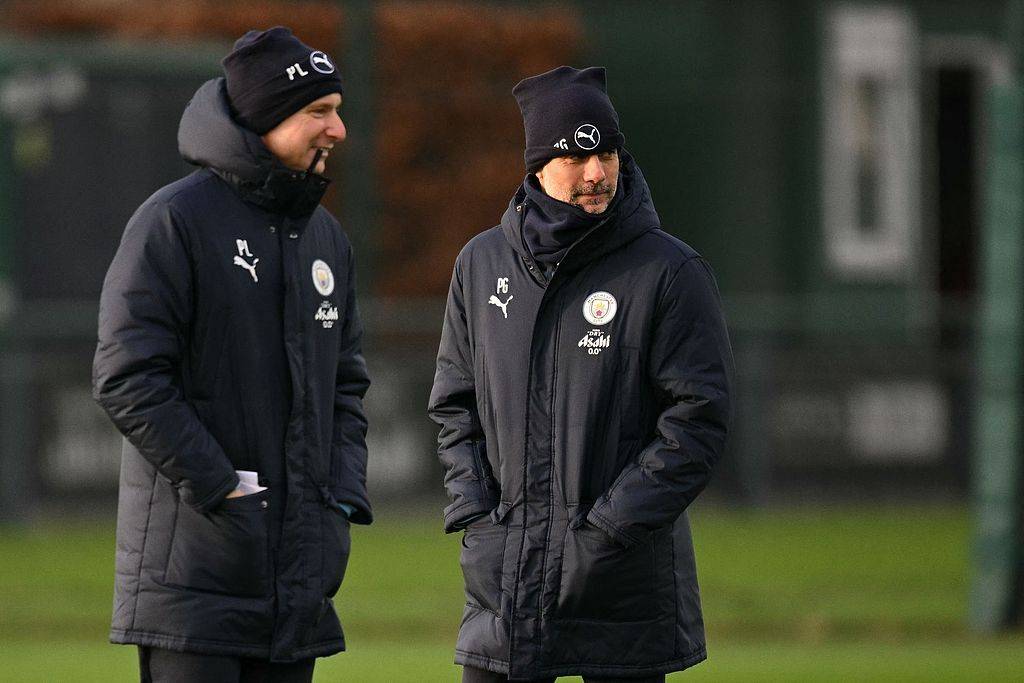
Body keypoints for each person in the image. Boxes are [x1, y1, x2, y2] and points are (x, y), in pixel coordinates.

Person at [428, 66, 734, 682]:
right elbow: (455, 406)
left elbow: (698, 419)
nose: (596, 172)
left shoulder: (670, 271)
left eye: (607, 153)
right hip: (505, 584)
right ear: (538, 165)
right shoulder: (480, 264)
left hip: (624, 587)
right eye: (576, 156)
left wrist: (609, 529)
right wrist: (479, 517)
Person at [92, 27, 371, 683]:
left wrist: (339, 499)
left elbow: (345, 386)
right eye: (319, 111)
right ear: (267, 117)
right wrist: (220, 486)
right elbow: (127, 377)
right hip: (194, 581)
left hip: (297, 587)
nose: (338, 130)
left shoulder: (326, 238)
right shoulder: (174, 221)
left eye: (337, 110)